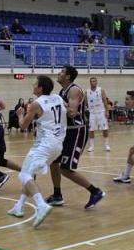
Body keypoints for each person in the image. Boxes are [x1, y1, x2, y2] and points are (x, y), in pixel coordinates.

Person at [8, 75, 67, 228]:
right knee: (30, 172)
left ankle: (41, 205)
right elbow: (68, 109)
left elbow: (22, 126)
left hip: (45, 143)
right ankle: (19, 206)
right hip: (58, 144)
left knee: (24, 174)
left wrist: (20, 115)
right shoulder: (58, 98)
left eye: (35, 84)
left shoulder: (36, 103)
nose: (33, 85)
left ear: (40, 88)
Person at [45, 66, 106, 210]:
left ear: (68, 76)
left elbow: (72, 113)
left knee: (65, 169)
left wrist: (60, 102)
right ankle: (57, 195)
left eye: (62, 72)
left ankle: (95, 191)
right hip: (66, 131)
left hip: (77, 131)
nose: (58, 73)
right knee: (54, 162)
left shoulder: (74, 90)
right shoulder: (63, 91)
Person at [86, 77, 111, 152]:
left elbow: (105, 101)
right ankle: (91, 146)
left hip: (101, 112)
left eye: (94, 81)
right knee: (91, 130)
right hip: (92, 113)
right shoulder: (87, 92)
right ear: (89, 83)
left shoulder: (101, 90)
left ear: (96, 82)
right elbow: (86, 103)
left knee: (105, 129)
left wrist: (107, 111)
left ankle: (106, 145)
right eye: (91, 81)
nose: (92, 82)